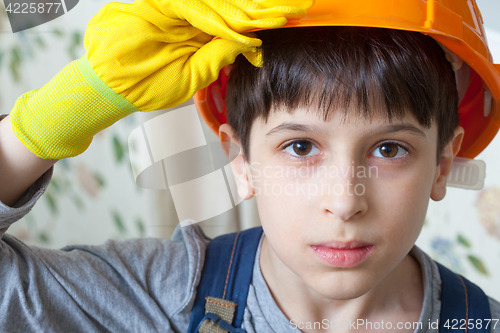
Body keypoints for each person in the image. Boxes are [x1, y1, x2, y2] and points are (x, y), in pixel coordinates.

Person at [0, 0, 499, 332]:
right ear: (241, 159)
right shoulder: (169, 295)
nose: (346, 201)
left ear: (441, 164)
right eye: (301, 147)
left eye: (389, 149)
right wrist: (54, 117)